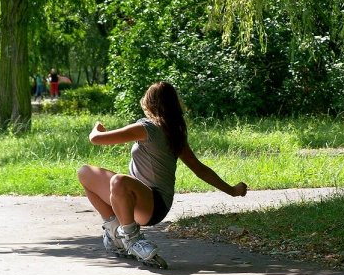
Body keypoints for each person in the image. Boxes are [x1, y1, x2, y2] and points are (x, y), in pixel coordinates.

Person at [77, 81, 247, 262]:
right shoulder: (173, 131)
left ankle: (132, 240)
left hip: (153, 205)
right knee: (84, 173)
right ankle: (114, 233)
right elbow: (201, 170)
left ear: (148, 103)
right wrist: (233, 190)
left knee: (119, 181)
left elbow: (96, 139)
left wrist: (97, 127)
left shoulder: (147, 128)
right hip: (140, 201)